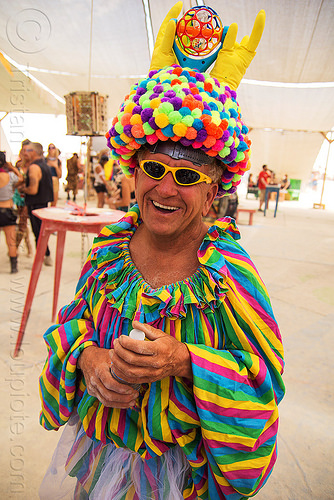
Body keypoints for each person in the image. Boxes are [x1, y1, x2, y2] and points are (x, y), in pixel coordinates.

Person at [39, 4, 284, 499]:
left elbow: (264, 381)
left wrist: (184, 360)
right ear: (133, 171)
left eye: (188, 176)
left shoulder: (228, 274)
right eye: (153, 168)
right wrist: (87, 359)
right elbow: (69, 322)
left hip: (182, 477)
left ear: (214, 191)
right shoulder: (108, 254)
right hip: (97, 454)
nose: (165, 189)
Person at [19, 142, 54, 266]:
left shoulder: (34, 167)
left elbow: (33, 190)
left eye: (26, 150)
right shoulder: (45, 165)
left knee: (38, 233)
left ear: (32, 152)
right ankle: (46, 256)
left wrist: (23, 189)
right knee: (41, 232)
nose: (23, 153)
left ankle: (42, 259)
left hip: (35, 204)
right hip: (42, 203)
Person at [0, 151, 23, 273]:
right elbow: (21, 178)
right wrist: (12, 168)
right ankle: (14, 267)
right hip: (8, 211)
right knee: (11, 241)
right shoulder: (9, 176)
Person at [14, 139, 33, 257]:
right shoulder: (18, 165)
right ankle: (27, 247)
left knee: (22, 222)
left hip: (29, 196)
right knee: (22, 222)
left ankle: (16, 247)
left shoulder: (33, 165)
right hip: (19, 196)